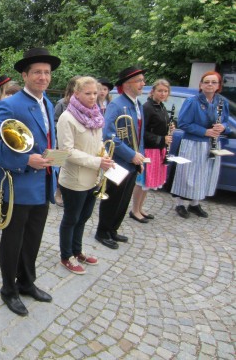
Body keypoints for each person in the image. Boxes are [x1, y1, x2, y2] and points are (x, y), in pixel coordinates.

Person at [0, 47, 59, 316]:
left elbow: (47, 139)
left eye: (46, 72)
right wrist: (26, 160)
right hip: (19, 186)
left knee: (33, 238)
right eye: (37, 72)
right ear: (25, 75)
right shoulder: (11, 104)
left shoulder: (47, 102)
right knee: (13, 241)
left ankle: (26, 282)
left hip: (43, 184)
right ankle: (8, 289)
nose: (43, 77)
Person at [57, 76, 114, 274]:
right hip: (75, 178)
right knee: (71, 218)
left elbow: (99, 142)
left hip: (93, 176)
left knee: (84, 217)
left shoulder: (95, 114)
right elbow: (67, 151)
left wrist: (105, 156)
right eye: (88, 93)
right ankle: (66, 256)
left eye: (95, 93)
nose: (92, 97)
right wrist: (97, 162)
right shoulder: (67, 117)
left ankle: (77, 250)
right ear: (77, 93)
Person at [95, 66, 146, 249]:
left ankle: (113, 229)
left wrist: (140, 158)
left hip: (132, 162)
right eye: (139, 80)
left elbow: (139, 135)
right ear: (127, 84)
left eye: (142, 80)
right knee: (112, 198)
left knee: (124, 199)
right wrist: (131, 155)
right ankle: (102, 232)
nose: (143, 84)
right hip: (118, 161)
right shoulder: (116, 105)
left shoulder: (138, 105)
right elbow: (109, 135)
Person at [171, 71, 230, 218]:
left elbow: (225, 121)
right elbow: (183, 123)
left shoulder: (221, 102)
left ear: (218, 86)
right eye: (206, 82)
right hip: (193, 143)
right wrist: (205, 132)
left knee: (205, 174)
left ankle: (194, 204)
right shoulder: (192, 101)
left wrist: (223, 127)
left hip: (212, 143)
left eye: (214, 82)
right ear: (201, 85)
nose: (210, 85)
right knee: (187, 174)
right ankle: (180, 204)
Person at [130, 80, 173, 223]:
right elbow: (141, 131)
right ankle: (135, 210)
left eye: (165, 91)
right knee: (142, 182)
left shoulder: (161, 106)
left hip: (158, 149)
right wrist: (161, 139)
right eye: (160, 91)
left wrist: (169, 128)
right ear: (153, 91)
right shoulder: (147, 107)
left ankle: (140, 208)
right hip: (148, 149)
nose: (163, 94)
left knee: (148, 183)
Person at [53, 75, 81, 207]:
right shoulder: (62, 103)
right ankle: (58, 194)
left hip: (78, 141)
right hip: (62, 142)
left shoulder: (83, 103)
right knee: (61, 167)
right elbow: (54, 120)